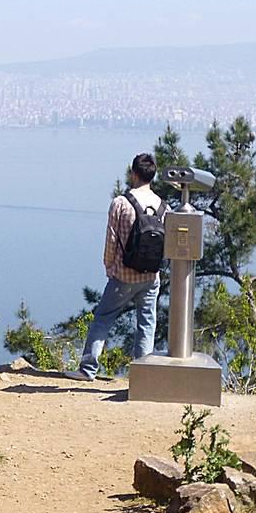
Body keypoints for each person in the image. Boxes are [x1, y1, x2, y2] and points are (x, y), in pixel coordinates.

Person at [67, 152, 163, 381]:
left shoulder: (121, 203)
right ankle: (143, 377)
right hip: (150, 276)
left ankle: (87, 369)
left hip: (123, 275)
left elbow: (111, 240)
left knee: (103, 318)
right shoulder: (162, 205)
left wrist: (109, 267)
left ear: (133, 174)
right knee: (147, 323)